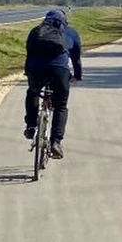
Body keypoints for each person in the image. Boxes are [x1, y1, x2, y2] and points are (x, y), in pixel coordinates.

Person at [24, 8, 82, 159]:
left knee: (33, 93)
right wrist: (77, 76)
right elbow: (76, 59)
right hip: (60, 71)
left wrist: (28, 72)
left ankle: (30, 126)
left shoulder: (36, 31)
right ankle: (56, 142)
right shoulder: (71, 33)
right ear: (64, 21)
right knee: (60, 105)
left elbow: (29, 53)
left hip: (37, 69)